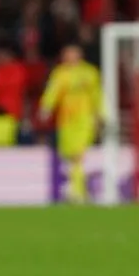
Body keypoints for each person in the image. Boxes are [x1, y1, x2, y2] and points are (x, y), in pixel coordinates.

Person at [39, 44, 103, 203]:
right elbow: (52, 91)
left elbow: (97, 94)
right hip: (66, 120)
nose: (69, 57)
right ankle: (77, 189)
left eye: (72, 54)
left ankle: (77, 192)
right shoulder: (60, 73)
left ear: (79, 55)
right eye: (66, 54)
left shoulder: (90, 73)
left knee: (78, 154)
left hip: (84, 118)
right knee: (69, 155)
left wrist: (100, 114)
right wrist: (46, 107)